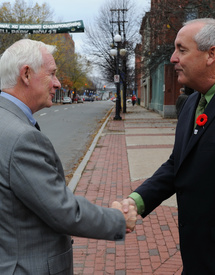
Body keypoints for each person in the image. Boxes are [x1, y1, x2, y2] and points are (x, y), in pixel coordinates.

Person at [122, 18, 215, 275]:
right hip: (197, 261)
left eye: (182, 49)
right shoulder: (191, 103)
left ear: (211, 55)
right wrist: (136, 201)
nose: (173, 58)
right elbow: (177, 164)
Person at [0, 39, 137, 274]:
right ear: (26, 74)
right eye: (52, 74)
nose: (57, 83)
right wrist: (117, 220)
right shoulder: (22, 138)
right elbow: (63, 211)